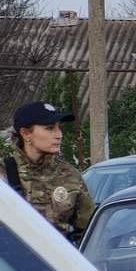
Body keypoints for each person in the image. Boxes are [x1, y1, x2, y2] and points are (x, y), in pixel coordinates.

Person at [4, 101, 95, 242]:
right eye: (50, 128)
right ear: (26, 133)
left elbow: (89, 231)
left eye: (59, 128)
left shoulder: (70, 175)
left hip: (59, 261)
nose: (59, 135)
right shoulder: (3, 175)